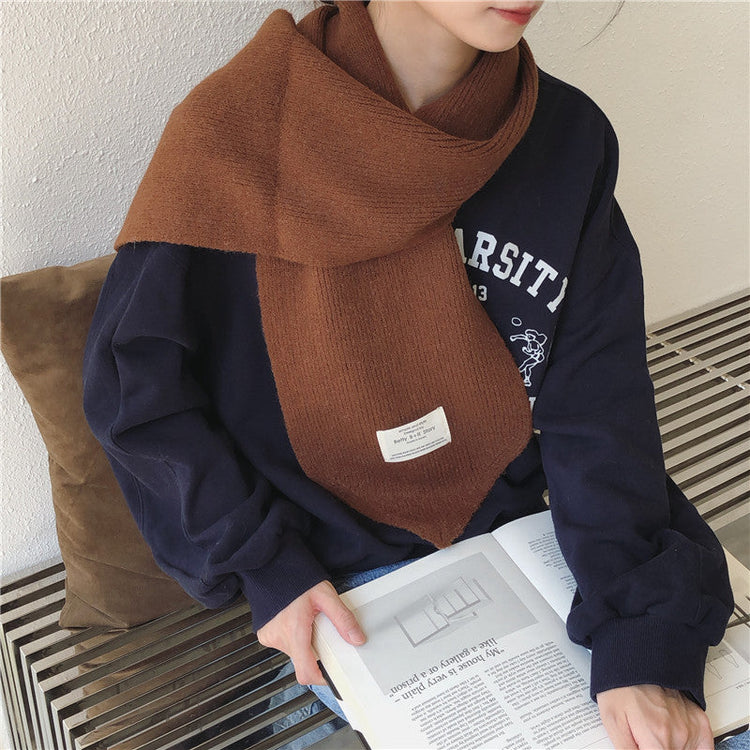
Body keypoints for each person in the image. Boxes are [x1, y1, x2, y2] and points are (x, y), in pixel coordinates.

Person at [82, 2, 736, 748]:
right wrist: (267, 569)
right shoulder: (232, 136)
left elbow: (597, 400)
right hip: (336, 579)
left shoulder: (564, 137)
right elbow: (135, 389)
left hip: (533, 537)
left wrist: (640, 638)